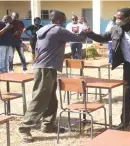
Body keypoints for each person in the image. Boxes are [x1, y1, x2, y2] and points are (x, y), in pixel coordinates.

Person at [18, 10, 90, 143]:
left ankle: (48, 125)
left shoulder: (43, 29)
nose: (64, 22)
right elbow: (80, 39)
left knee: (51, 99)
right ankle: (24, 128)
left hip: (44, 67)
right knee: (40, 99)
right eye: (64, 20)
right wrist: (85, 28)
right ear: (58, 20)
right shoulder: (58, 30)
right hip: (46, 68)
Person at [86, 8, 130, 132]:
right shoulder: (116, 30)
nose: (117, 20)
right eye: (116, 17)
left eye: (120, 18)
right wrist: (89, 33)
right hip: (128, 68)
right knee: (127, 97)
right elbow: (102, 37)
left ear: (129, 18)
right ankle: (124, 122)